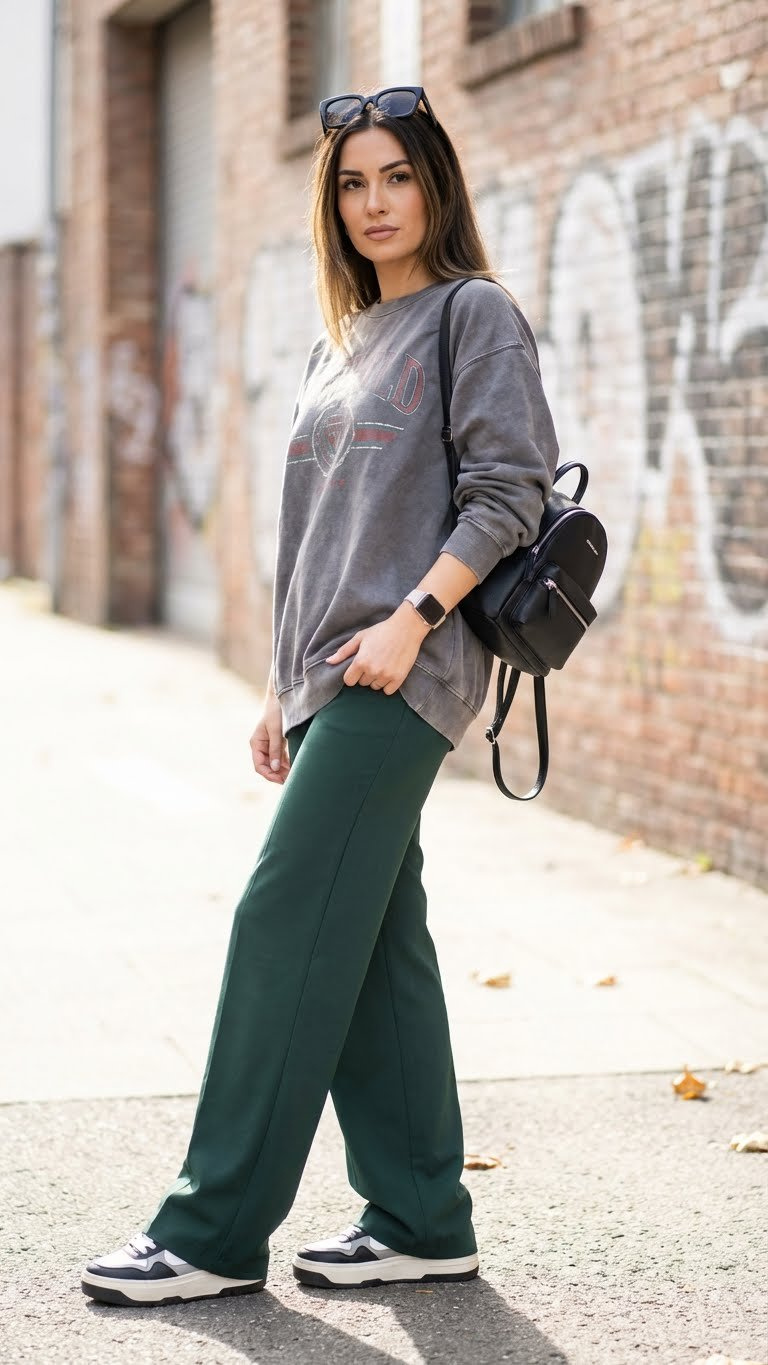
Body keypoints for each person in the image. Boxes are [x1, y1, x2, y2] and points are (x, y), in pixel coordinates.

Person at [81, 85, 559, 1308]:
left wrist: (413, 620)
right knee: (373, 938)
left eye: (397, 177)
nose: (375, 203)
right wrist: (278, 686)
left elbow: (509, 494)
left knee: (284, 920)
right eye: (352, 184)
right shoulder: (336, 344)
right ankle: (420, 1214)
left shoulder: (475, 315)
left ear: (435, 185)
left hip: (411, 668)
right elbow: (311, 541)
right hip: (333, 674)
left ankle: (210, 1230)